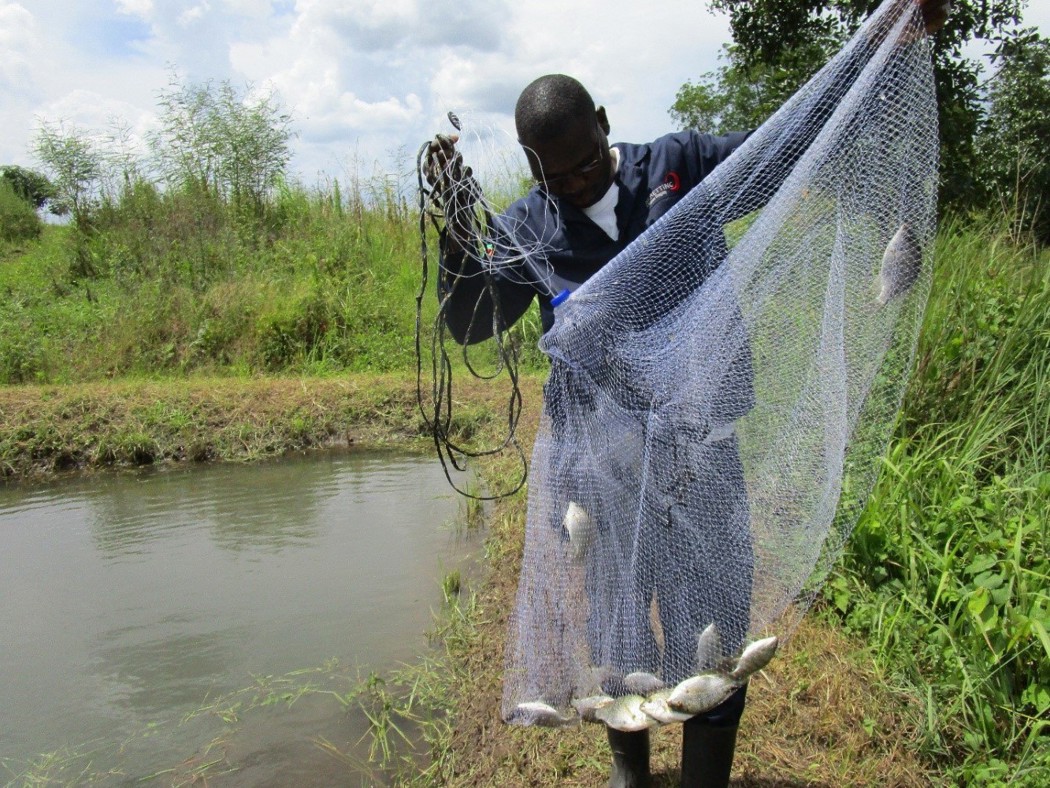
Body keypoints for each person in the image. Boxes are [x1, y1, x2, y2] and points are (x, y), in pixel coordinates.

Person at [424, 3, 949, 785]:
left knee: (713, 633)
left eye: (585, 161)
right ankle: (630, 775)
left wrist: (880, 43)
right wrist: (458, 243)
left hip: (700, 456)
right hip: (601, 468)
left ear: (605, 124)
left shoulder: (679, 166)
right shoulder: (528, 227)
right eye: (551, 173)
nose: (571, 183)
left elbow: (792, 143)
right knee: (619, 636)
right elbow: (469, 325)